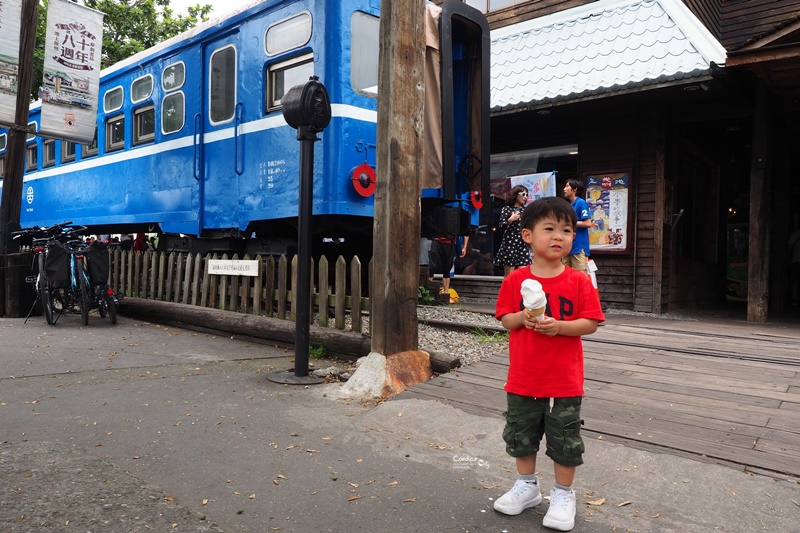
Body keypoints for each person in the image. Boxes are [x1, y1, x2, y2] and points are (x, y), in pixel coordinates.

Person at [493, 196, 604, 531]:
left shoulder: (579, 280)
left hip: (564, 382)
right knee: (521, 437)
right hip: (524, 379)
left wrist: (559, 327)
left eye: (567, 230)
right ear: (527, 235)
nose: (559, 236)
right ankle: (527, 487)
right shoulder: (516, 281)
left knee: (565, 442)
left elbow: (591, 323)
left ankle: (563, 494)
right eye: (550, 228)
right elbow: (505, 320)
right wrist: (522, 317)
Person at [494, 185, 532, 277]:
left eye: (527, 194)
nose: (525, 197)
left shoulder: (526, 210)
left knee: (524, 274)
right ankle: (506, 291)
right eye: (523, 194)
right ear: (516, 194)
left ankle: (520, 291)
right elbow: (501, 226)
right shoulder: (507, 209)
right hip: (510, 243)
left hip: (523, 243)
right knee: (509, 276)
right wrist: (511, 219)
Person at [562, 179, 591, 275]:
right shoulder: (569, 205)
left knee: (580, 275)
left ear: (575, 189)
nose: (564, 189)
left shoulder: (581, 203)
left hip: (579, 245)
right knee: (565, 274)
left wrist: (570, 222)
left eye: (567, 186)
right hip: (568, 245)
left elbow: (587, 223)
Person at [789, 228, 800, 305]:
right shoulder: (795, 235)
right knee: (795, 279)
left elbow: (789, 249)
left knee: (795, 280)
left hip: (795, 260)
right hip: (796, 260)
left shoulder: (795, 235)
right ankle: (794, 298)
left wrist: (788, 259)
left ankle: (794, 298)